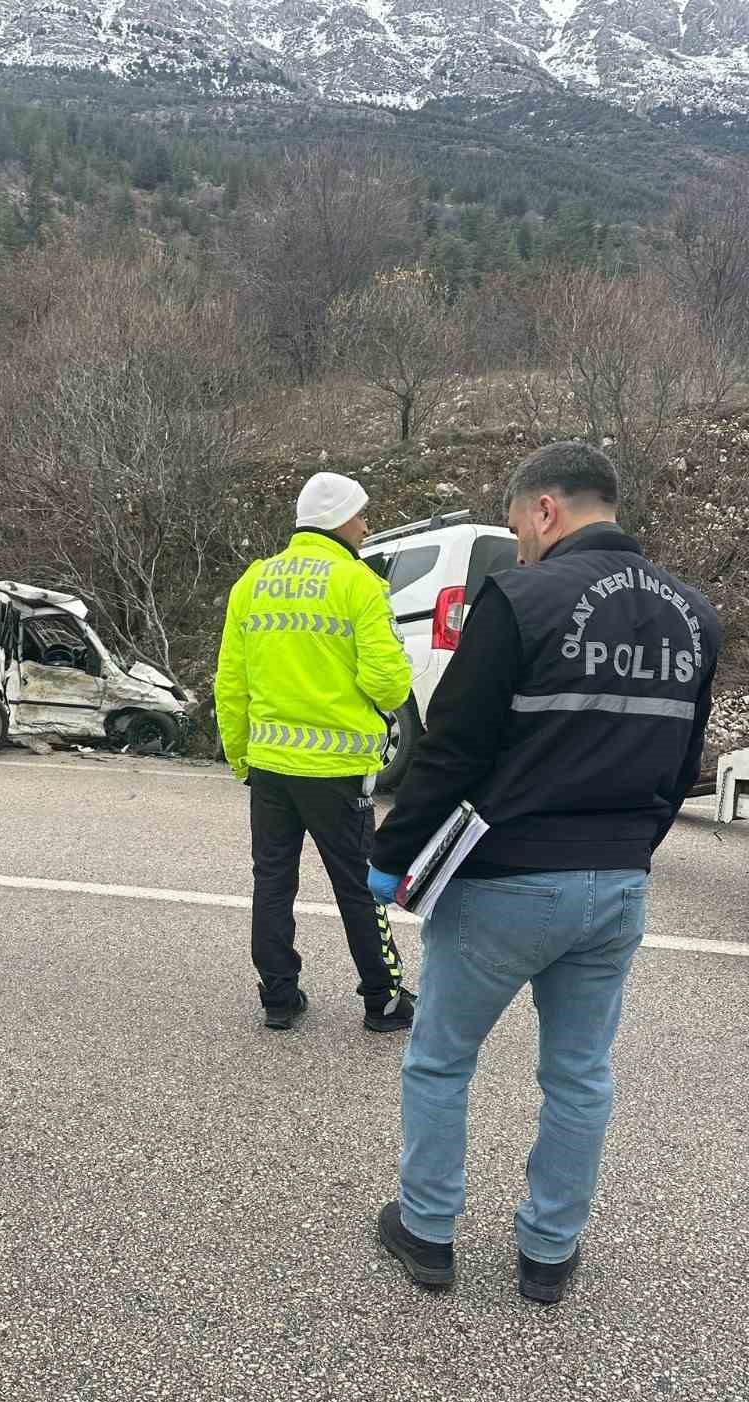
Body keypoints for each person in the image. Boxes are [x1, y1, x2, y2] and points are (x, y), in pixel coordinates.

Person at [368, 442, 721, 1303]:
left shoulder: (521, 597)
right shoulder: (695, 615)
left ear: (546, 511)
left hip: (506, 882)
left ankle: (427, 1232)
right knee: (580, 1075)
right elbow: (684, 764)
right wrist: (634, 846)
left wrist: (388, 855)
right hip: (618, 884)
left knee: (443, 1061)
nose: (520, 543)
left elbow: (450, 750)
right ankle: (549, 1255)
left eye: (520, 525)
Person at [215, 470, 415, 1033]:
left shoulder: (252, 583)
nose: (366, 525)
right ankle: (383, 997)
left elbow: (230, 684)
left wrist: (240, 756)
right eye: (362, 515)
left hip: (271, 766)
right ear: (341, 521)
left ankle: (279, 996)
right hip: (338, 770)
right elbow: (389, 686)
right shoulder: (358, 583)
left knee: (273, 881)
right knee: (358, 885)